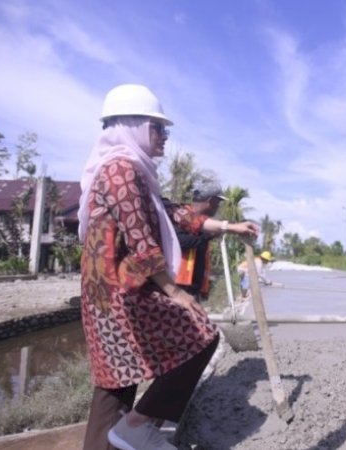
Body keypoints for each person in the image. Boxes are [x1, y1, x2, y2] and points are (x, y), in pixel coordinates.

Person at [77, 84, 258, 450]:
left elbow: (176, 214)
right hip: (120, 294)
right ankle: (138, 427)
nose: (164, 137)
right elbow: (140, 238)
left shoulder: (134, 171)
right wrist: (174, 292)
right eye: (158, 128)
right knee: (198, 334)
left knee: (116, 383)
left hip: (113, 293)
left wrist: (228, 227)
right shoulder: (120, 170)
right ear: (133, 125)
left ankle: (123, 435)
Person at [167, 180, 249, 303]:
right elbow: (181, 242)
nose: (218, 206)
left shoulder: (206, 224)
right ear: (210, 201)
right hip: (178, 287)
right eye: (218, 203)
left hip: (193, 287)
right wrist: (207, 236)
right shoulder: (181, 216)